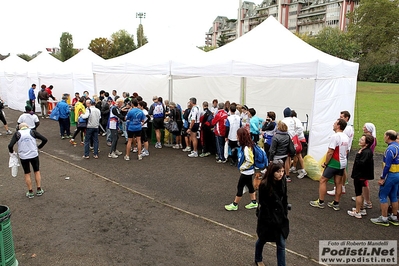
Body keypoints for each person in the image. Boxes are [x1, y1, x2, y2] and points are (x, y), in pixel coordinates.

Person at [310, 118, 349, 211]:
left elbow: (330, 152)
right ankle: (336, 203)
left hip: (334, 162)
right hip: (342, 162)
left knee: (323, 180)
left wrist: (326, 163)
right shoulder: (346, 137)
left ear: (338, 125)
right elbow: (347, 151)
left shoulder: (335, 137)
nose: (333, 125)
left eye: (335, 123)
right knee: (338, 183)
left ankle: (321, 202)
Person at [255, 161, 289, 266]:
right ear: (272, 171)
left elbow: (285, 198)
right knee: (262, 239)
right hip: (267, 219)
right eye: (278, 171)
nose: (281, 174)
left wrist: (284, 213)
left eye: (283, 171)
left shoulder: (283, 181)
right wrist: (270, 219)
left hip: (280, 218)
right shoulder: (264, 185)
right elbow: (263, 204)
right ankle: (258, 258)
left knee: (281, 244)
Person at [8, 122, 48, 198]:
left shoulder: (17, 134)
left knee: (27, 173)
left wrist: (12, 152)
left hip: (23, 156)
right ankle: (39, 189)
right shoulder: (32, 131)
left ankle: (30, 191)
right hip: (34, 154)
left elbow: (10, 145)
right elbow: (45, 139)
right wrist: (38, 147)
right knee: (36, 171)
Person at [224, 127, 258, 211]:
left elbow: (250, 160)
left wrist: (243, 167)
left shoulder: (246, 147)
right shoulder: (249, 145)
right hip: (249, 171)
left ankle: (235, 204)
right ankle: (254, 202)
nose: (236, 136)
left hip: (246, 172)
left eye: (237, 135)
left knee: (240, 187)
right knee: (250, 186)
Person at [370, 130, 399, 226]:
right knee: (394, 196)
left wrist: (382, 177)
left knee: (383, 195)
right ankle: (394, 217)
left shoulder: (390, 149)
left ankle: (384, 218)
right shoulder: (397, 147)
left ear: (388, 137)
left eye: (384, 135)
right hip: (397, 175)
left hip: (390, 175)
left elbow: (387, 166)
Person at [347, 134, 374, 219]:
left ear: (366, 143)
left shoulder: (365, 152)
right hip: (362, 175)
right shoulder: (367, 151)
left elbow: (361, 163)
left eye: (362, 140)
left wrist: (358, 155)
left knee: (358, 193)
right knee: (360, 192)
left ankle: (357, 212)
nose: (360, 140)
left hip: (360, 175)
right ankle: (361, 208)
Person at [327, 111, 354, 196]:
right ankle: (341, 186)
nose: (340, 118)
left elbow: (342, 140)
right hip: (345, 150)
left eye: (342, 117)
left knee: (340, 170)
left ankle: (339, 186)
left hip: (342, 151)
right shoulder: (349, 127)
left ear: (347, 118)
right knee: (343, 169)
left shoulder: (347, 128)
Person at [350, 122, 377, 209]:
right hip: (366, 166)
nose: (363, 128)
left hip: (362, 170)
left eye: (364, 127)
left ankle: (365, 202)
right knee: (363, 185)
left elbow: (361, 163)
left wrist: (358, 155)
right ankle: (362, 201)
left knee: (363, 185)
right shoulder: (370, 141)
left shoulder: (367, 147)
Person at [289, 110, 307, 179]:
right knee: (296, 155)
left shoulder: (294, 120)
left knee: (299, 155)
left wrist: (295, 135)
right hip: (299, 139)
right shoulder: (296, 120)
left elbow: (300, 129)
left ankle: (303, 170)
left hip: (299, 140)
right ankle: (294, 167)